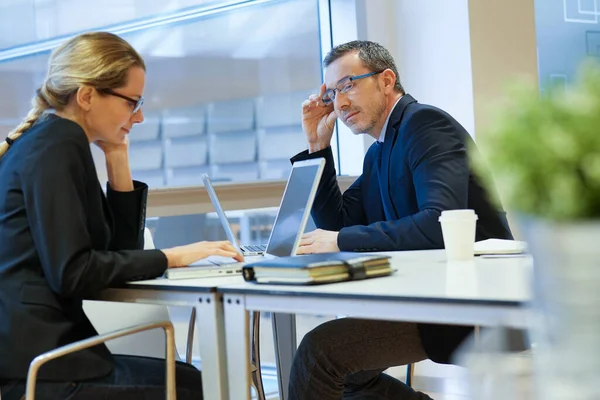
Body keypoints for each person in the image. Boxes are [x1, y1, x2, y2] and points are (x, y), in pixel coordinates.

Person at [0, 32, 243, 400]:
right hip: (43, 369)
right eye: (133, 102)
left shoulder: (53, 140)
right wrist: (172, 256)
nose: (140, 116)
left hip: (36, 357)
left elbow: (119, 248)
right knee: (193, 384)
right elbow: (73, 272)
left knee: (187, 378)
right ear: (86, 96)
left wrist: (117, 156)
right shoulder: (57, 145)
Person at [288, 41, 513, 399]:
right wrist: (318, 148)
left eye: (348, 85)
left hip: (469, 303)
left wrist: (339, 241)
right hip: (426, 296)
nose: (340, 102)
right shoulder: (380, 152)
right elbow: (338, 222)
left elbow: (438, 222)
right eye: (333, 92)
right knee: (342, 368)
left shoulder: (425, 124)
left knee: (320, 354)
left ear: (387, 80)